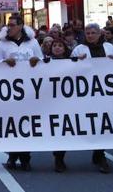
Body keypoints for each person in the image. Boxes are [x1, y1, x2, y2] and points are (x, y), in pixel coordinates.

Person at [0, 15, 43, 171]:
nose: (9, 27)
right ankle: (13, 156)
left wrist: (36, 60)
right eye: (8, 25)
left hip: (28, 89)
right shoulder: (2, 44)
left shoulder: (33, 42)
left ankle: (25, 158)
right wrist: (4, 62)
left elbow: (42, 59)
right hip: (9, 90)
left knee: (26, 124)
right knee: (12, 125)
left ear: (21, 26)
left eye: (12, 24)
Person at [70, 23, 113, 174]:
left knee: (102, 123)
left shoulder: (110, 48)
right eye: (88, 33)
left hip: (105, 92)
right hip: (86, 93)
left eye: (93, 33)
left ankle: (100, 154)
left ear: (99, 34)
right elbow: (69, 68)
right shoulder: (79, 49)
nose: (90, 35)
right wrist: (77, 61)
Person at [44, 38, 71, 172]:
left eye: (60, 45)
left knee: (63, 130)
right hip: (49, 103)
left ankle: (59, 157)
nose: (57, 48)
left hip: (66, 103)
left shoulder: (73, 61)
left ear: (65, 48)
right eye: (55, 45)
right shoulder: (44, 61)